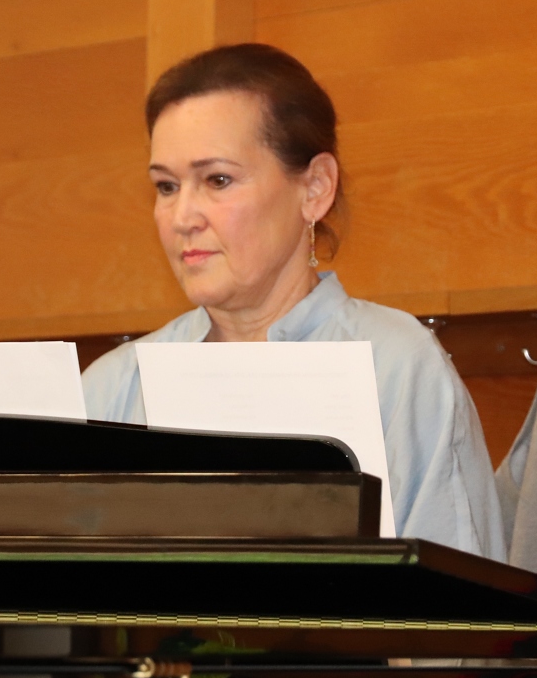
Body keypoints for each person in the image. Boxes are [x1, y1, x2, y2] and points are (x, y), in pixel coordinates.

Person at [82, 43, 505, 560]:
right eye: (167, 186)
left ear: (315, 188)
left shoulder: (397, 367)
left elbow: (455, 595)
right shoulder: (112, 389)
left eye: (217, 180)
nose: (182, 216)